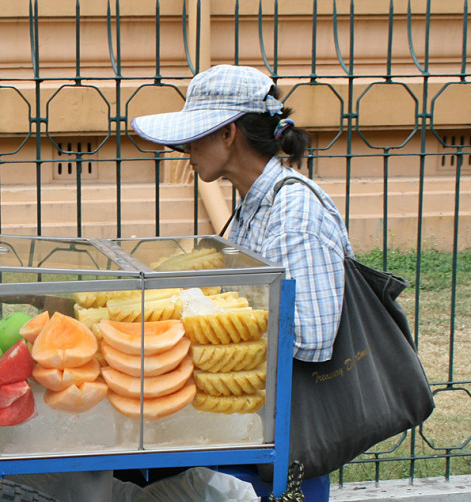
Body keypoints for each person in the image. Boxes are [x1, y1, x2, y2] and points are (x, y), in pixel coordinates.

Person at [131, 64, 354, 362]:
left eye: (195, 135)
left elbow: (308, 338)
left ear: (227, 133)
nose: (186, 149)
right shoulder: (251, 202)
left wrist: (205, 318)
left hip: (302, 401)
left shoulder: (293, 213)